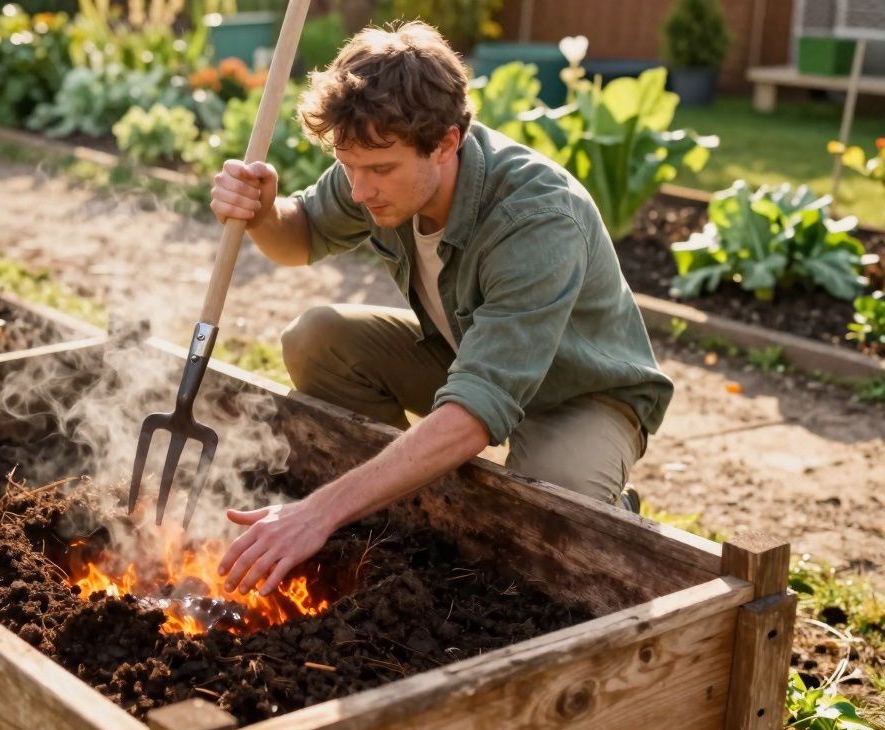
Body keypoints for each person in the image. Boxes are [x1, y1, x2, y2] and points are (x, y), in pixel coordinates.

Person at [211, 21, 674, 595]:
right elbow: (299, 237)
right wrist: (261, 211)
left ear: (447, 143)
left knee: (553, 508)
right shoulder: (379, 151)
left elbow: (479, 407)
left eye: (378, 171)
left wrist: (317, 512)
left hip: (580, 392)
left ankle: (610, 503)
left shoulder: (536, 218)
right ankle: (407, 503)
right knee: (317, 338)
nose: (358, 190)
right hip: (469, 355)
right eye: (348, 166)